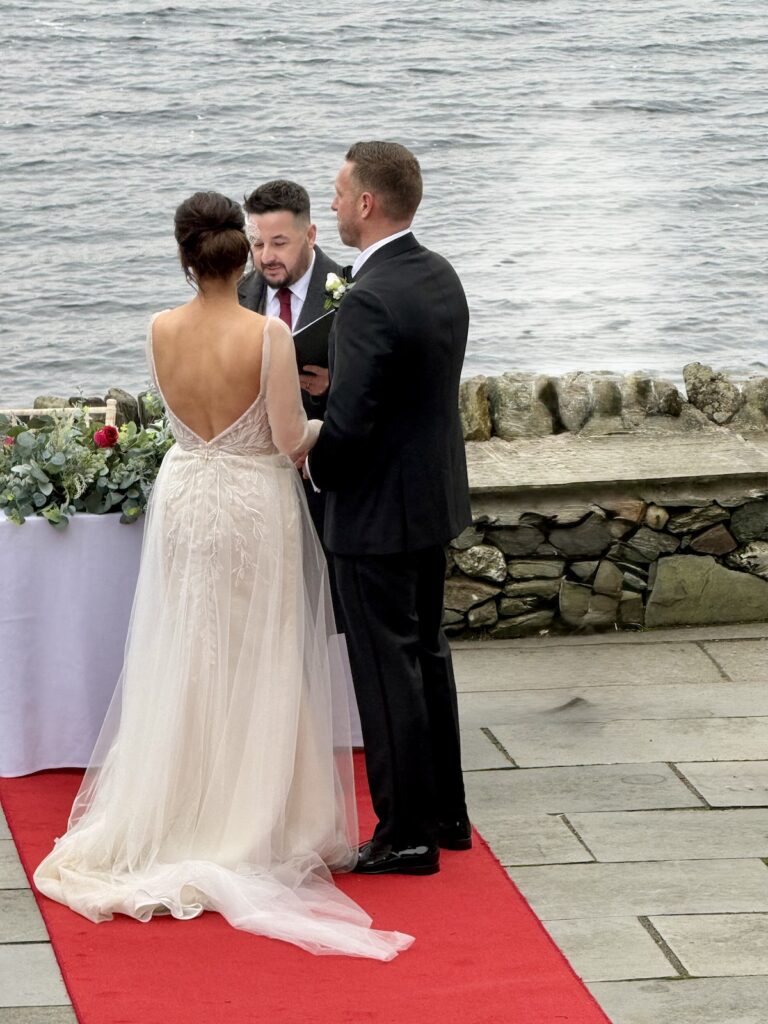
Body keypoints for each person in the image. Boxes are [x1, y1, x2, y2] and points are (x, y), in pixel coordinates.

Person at [33, 191, 412, 961]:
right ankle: (253, 818)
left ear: (184, 257)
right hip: (251, 498)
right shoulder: (268, 334)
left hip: (186, 496)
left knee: (190, 651)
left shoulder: (159, 330)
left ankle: (181, 807)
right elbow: (285, 437)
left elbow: (177, 417)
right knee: (260, 653)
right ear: (241, 256)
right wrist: (330, 421)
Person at [306, 142, 472, 876]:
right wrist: (336, 378)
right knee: (426, 655)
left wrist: (310, 455)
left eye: (340, 193)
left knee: (385, 670)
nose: (334, 205)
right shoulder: (437, 274)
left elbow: (353, 427)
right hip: (428, 501)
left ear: (368, 203)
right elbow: (407, 391)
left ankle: (404, 834)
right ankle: (445, 815)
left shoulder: (368, 296)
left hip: (374, 514)